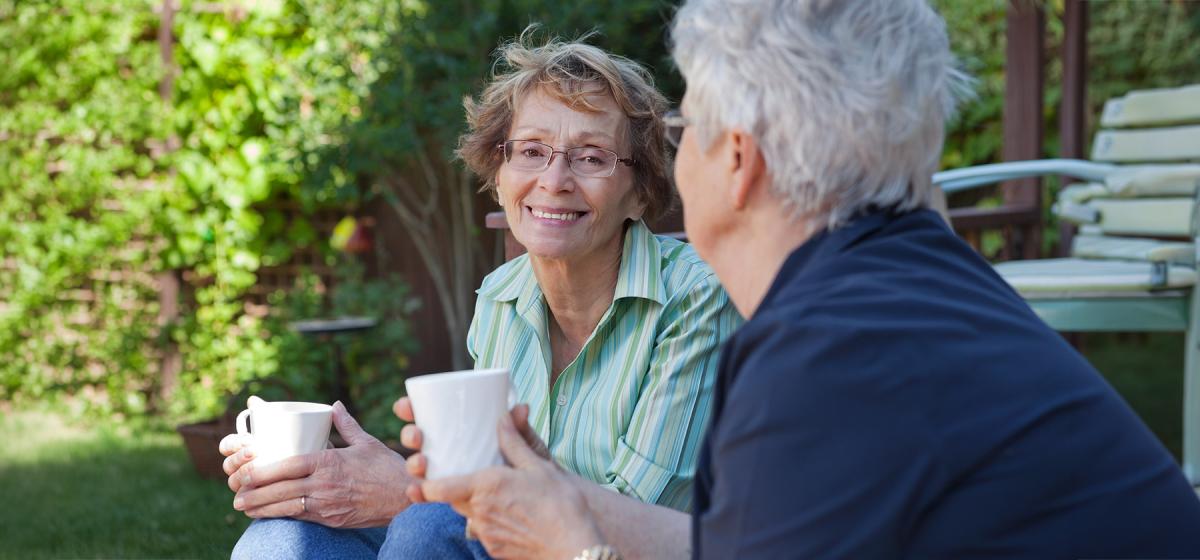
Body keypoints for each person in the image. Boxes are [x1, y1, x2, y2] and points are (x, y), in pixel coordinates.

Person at [403, 1, 1200, 558]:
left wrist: (576, 550)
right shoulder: (909, 283)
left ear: (739, 161)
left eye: (686, 131)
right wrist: (554, 493)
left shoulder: (821, 358)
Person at [219, 34, 741, 559]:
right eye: (532, 152)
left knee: (428, 525)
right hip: (507, 542)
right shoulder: (500, 297)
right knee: (280, 540)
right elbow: (477, 477)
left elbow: (622, 522)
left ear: (640, 193)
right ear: (498, 174)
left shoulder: (695, 297)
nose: (554, 180)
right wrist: (330, 483)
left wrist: (409, 488)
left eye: (592, 157)